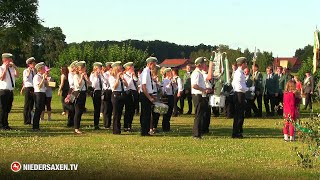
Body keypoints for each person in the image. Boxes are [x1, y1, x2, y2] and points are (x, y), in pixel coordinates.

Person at [232, 57, 254, 138]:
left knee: (240, 114)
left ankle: (238, 131)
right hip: (239, 94)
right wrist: (249, 89)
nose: (246, 64)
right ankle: (236, 132)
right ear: (242, 64)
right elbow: (239, 86)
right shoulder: (238, 73)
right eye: (245, 63)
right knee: (239, 114)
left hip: (240, 94)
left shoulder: (240, 72)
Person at [191, 57, 212, 139]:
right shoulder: (196, 73)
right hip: (198, 95)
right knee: (198, 115)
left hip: (200, 95)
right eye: (203, 63)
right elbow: (194, 85)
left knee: (200, 115)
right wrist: (204, 90)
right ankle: (196, 134)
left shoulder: (199, 73)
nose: (205, 65)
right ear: (200, 65)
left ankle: (198, 133)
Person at [0, 53, 19, 130]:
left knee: (8, 108)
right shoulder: (1, 68)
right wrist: (5, 69)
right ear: (5, 60)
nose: (11, 60)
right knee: (3, 109)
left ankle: (6, 124)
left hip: (10, 91)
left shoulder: (12, 68)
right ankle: (1, 125)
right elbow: (2, 78)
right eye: (10, 59)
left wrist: (14, 67)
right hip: (3, 90)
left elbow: (17, 75)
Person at [139, 57, 158, 136]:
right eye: (154, 64)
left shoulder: (148, 72)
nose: (155, 65)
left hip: (148, 94)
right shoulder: (145, 72)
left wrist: (152, 95)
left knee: (147, 114)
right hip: (145, 95)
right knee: (145, 114)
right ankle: (144, 131)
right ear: (150, 63)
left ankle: (146, 131)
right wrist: (149, 97)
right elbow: (143, 87)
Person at [109, 61, 128, 134]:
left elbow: (126, 85)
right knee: (116, 113)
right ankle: (115, 129)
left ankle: (119, 128)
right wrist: (117, 78)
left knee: (120, 113)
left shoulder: (121, 76)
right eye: (119, 67)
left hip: (121, 94)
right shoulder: (112, 77)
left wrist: (123, 79)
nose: (121, 68)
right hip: (116, 94)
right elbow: (114, 87)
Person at [73, 61, 91, 134]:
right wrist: (81, 77)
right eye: (82, 69)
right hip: (78, 93)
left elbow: (90, 83)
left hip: (83, 93)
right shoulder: (76, 76)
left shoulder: (84, 75)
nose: (84, 70)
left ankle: (78, 127)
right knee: (77, 111)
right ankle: (76, 128)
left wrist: (86, 78)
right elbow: (77, 85)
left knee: (81, 111)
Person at [123, 62, 139, 132]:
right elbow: (127, 85)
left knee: (132, 110)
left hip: (134, 92)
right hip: (128, 93)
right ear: (128, 68)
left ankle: (130, 125)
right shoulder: (124, 75)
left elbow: (138, 82)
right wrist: (131, 78)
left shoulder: (133, 74)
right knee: (128, 110)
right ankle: (126, 126)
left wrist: (134, 76)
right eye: (132, 68)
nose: (133, 69)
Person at [32, 62, 47, 131]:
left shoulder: (41, 76)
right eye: (43, 68)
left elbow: (45, 86)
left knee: (40, 110)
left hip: (42, 93)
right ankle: (35, 126)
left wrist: (45, 79)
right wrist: (43, 79)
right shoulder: (36, 77)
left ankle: (37, 126)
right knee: (37, 110)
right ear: (40, 69)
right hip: (38, 93)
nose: (45, 70)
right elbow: (39, 86)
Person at [89, 62, 104, 130]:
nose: (100, 69)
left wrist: (101, 75)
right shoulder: (92, 75)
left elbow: (104, 82)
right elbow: (93, 85)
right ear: (96, 68)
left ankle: (97, 123)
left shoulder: (100, 75)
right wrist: (95, 77)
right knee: (96, 109)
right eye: (99, 68)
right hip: (95, 92)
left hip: (101, 91)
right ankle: (96, 124)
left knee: (99, 107)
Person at [161, 68, 176, 132]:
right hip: (166, 97)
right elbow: (164, 90)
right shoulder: (165, 80)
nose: (172, 73)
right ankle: (165, 127)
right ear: (167, 73)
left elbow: (175, 89)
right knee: (166, 112)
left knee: (170, 111)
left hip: (171, 96)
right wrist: (169, 84)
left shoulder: (171, 80)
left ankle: (168, 127)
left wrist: (174, 84)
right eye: (170, 72)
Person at [22, 57, 36, 125]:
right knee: (27, 104)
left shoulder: (34, 71)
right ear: (29, 64)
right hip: (28, 88)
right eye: (33, 63)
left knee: (31, 105)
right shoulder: (25, 71)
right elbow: (25, 80)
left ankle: (30, 119)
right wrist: (29, 72)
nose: (34, 64)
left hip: (33, 88)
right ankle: (26, 120)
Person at [102, 62, 113, 129]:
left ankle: (109, 123)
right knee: (106, 108)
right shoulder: (105, 74)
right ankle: (106, 124)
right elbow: (106, 82)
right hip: (107, 91)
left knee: (111, 108)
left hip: (112, 91)